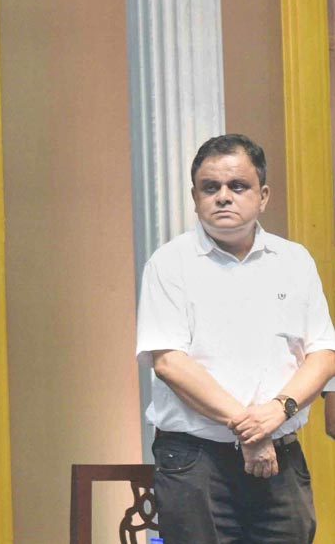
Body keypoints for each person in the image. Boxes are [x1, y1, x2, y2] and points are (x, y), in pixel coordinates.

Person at [136, 133, 335, 543]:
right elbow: (170, 362)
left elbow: (323, 354)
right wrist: (251, 430)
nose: (223, 197)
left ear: (263, 196)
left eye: (237, 186)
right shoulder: (169, 264)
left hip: (281, 453)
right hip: (195, 459)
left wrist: (276, 413)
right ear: (195, 197)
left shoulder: (295, 261)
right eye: (211, 188)